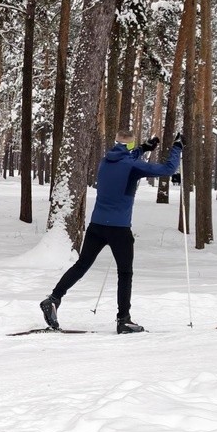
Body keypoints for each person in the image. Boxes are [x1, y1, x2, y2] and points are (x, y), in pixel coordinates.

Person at [40, 130, 183, 334]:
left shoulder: (105, 161)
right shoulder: (132, 165)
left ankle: (54, 298)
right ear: (130, 146)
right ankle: (124, 320)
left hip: (97, 226)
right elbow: (168, 169)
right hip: (119, 229)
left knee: (82, 265)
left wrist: (144, 148)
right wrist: (177, 147)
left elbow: (126, 158)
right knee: (125, 273)